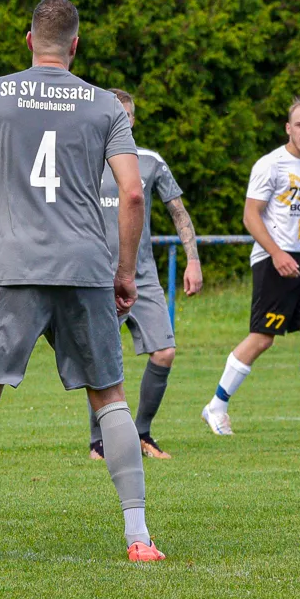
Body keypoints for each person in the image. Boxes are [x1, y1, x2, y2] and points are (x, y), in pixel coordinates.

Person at [0, 0, 166, 561]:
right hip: (84, 267)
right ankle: (138, 536)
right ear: (76, 45)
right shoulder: (105, 105)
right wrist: (125, 272)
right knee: (109, 397)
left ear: (29, 41)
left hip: (11, 266)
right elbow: (132, 193)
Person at [201, 96, 300, 437]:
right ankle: (216, 406)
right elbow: (250, 215)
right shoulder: (271, 165)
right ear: (288, 128)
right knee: (262, 338)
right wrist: (277, 254)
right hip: (273, 261)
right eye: (299, 125)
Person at [88, 89, 201, 462]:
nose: (121, 120)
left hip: (143, 277)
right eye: (114, 114)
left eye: (127, 115)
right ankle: (99, 443)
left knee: (165, 352)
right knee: (102, 358)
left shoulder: (149, 161)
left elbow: (178, 212)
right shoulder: (82, 159)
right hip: (97, 277)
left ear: (133, 121)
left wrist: (193, 260)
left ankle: (142, 433)